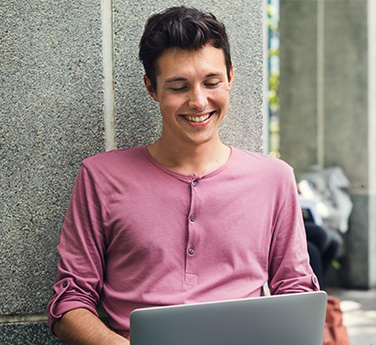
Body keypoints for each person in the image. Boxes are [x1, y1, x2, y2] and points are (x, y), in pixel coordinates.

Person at [47, 6, 319, 345]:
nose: (199, 101)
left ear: (230, 77)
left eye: (212, 82)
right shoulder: (100, 177)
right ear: (151, 87)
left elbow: (296, 292)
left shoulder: (274, 178)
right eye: (178, 87)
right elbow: (69, 301)